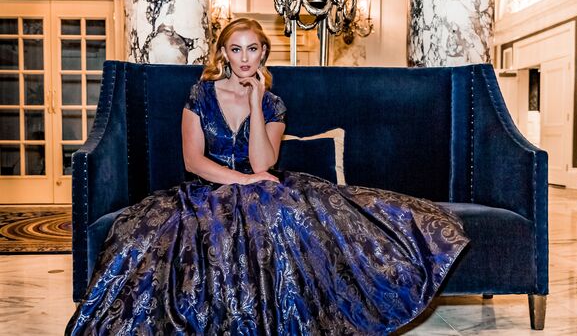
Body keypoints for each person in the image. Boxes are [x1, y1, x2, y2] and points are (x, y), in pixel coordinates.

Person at [66, 18, 469, 335]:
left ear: (263, 53)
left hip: (263, 185)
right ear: (223, 53)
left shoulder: (273, 104)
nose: (244, 58)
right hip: (209, 188)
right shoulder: (199, 95)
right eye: (236, 49)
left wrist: (257, 103)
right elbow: (193, 161)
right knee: (164, 231)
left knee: (289, 217)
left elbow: (263, 163)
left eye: (252, 49)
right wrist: (241, 181)